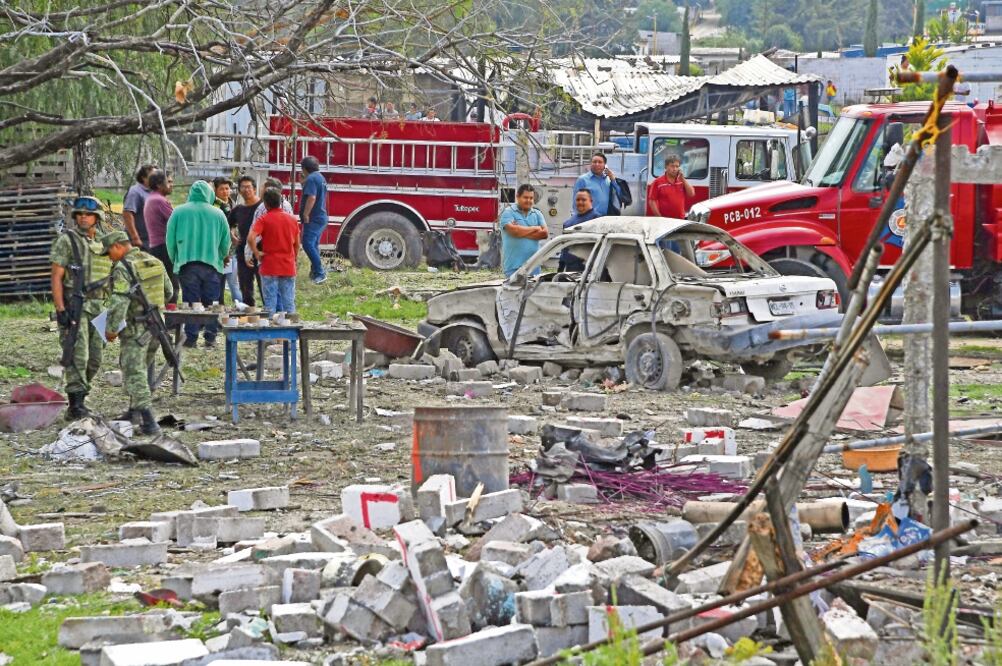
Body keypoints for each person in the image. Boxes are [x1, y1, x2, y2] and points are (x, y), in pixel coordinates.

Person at [102, 231, 173, 435]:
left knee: (134, 372)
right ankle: (134, 412)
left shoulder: (124, 267)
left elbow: (119, 301)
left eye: (109, 253)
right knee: (142, 366)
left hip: (136, 327)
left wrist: (111, 329)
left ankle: (150, 422)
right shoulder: (154, 261)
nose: (109, 258)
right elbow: (169, 292)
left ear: (118, 246)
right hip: (156, 325)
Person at [50, 196, 115, 419]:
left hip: (100, 307)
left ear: (97, 218)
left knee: (96, 358)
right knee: (79, 355)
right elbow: (56, 276)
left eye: (88, 214)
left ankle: (81, 396)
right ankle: (75, 405)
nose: (84, 218)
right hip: (76, 304)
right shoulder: (67, 241)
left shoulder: (103, 244)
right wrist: (60, 309)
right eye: (80, 214)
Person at [165, 180, 231, 348]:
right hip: (212, 265)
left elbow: (170, 240)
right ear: (210, 194)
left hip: (187, 263)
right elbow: (226, 242)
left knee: (191, 300)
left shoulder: (179, 212)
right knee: (212, 302)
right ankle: (210, 336)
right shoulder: (218, 214)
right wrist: (221, 256)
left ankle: (191, 337)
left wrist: (175, 260)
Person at [248, 188, 301, 314]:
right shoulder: (292, 220)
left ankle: (270, 330)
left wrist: (256, 253)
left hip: (269, 266)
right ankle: (290, 330)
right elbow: (297, 244)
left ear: (265, 204)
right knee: (289, 302)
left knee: (270, 304)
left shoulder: (264, 219)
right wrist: (294, 258)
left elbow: (251, 238)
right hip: (287, 266)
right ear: (280, 202)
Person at [143, 171, 178, 304]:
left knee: (162, 286)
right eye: (168, 182)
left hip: (156, 247)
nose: (171, 185)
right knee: (172, 287)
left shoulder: (151, 198)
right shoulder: (160, 201)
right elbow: (177, 222)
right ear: (159, 185)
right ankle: (171, 322)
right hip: (165, 248)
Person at [499, 184, 548, 277]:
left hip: (534, 268)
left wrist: (520, 232)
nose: (529, 201)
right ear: (517, 196)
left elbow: (544, 234)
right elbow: (514, 231)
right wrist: (535, 228)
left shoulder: (537, 214)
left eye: (531, 198)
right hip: (513, 268)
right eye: (525, 197)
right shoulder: (508, 213)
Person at [232, 176, 262, 307]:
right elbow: (228, 224)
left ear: (254, 189)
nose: (246, 190)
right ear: (239, 190)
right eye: (243, 187)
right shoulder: (238, 209)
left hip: (260, 250)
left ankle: (269, 312)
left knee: (264, 284)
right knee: (245, 285)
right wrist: (232, 235)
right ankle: (249, 312)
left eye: (249, 187)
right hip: (243, 252)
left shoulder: (262, 207)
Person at [298, 156, 328, 284]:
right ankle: (315, 271)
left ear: (304, 168)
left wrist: (306, 214)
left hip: (314, 218)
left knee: (307, 244)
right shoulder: (320, 177)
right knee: (314, 245)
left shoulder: (311, 179)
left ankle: (320, 272)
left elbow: (312, 197)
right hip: (321, 217)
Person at [212, 177, 242, 305]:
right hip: (219, 250)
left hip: (233, 250)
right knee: (219, 281)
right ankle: (219, 307)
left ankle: (241, 308)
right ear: (215, 190)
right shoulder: (215, 206)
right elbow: (223, 227)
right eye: (222, 189)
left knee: (233, 282)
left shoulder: (233, 204)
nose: (225, 191)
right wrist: (232, 237)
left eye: (227, 188)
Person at [557, 190, 600, 272]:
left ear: (591, 201)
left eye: (583, 200)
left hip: (588, 269)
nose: (580, 202)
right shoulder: (568, 222)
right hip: (570, 270)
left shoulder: (597, 220)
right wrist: (561, 266)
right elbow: (564, 247)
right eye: (578, 200)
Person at [647, 154, 695, 218]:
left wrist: (683, 179)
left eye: (677, 166)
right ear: (666, 167)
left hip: (680, 219)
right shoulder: (658, 182)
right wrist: (659, 217)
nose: (675, 169)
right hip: (665, 220)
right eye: (672, 166)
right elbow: (652, 201)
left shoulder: (681, 181)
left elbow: (691, 194)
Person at [123, 164, 157, 247]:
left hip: (152, 240)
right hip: (140, 242)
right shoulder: (135, 192)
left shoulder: (154, 191)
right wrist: (135, 237)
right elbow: (127, 214)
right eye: (153, 176)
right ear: (143, 178)